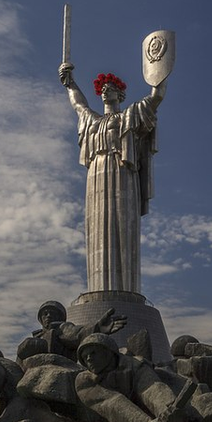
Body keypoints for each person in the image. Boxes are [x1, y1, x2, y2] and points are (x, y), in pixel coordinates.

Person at [59, 63, 166, 294]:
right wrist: (70, 83)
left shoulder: (129, 116)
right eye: (103, 88)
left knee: (122, 225)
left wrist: (159, 70)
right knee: (98, 228)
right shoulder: (93, 121)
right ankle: (99, 290)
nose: (105, 91)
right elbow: (78, 104)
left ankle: (126, 290)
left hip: (122, 172)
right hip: (96, 175)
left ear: (121, 94)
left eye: (110, 88)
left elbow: (156, 98)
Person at [16, 300, 126, 363]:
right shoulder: (37, 336)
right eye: (45, 314)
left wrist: (97, 327)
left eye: (52, 313)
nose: (48, 316)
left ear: (60, 317)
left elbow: (76, 333)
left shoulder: (61, 328)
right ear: (40, 318)